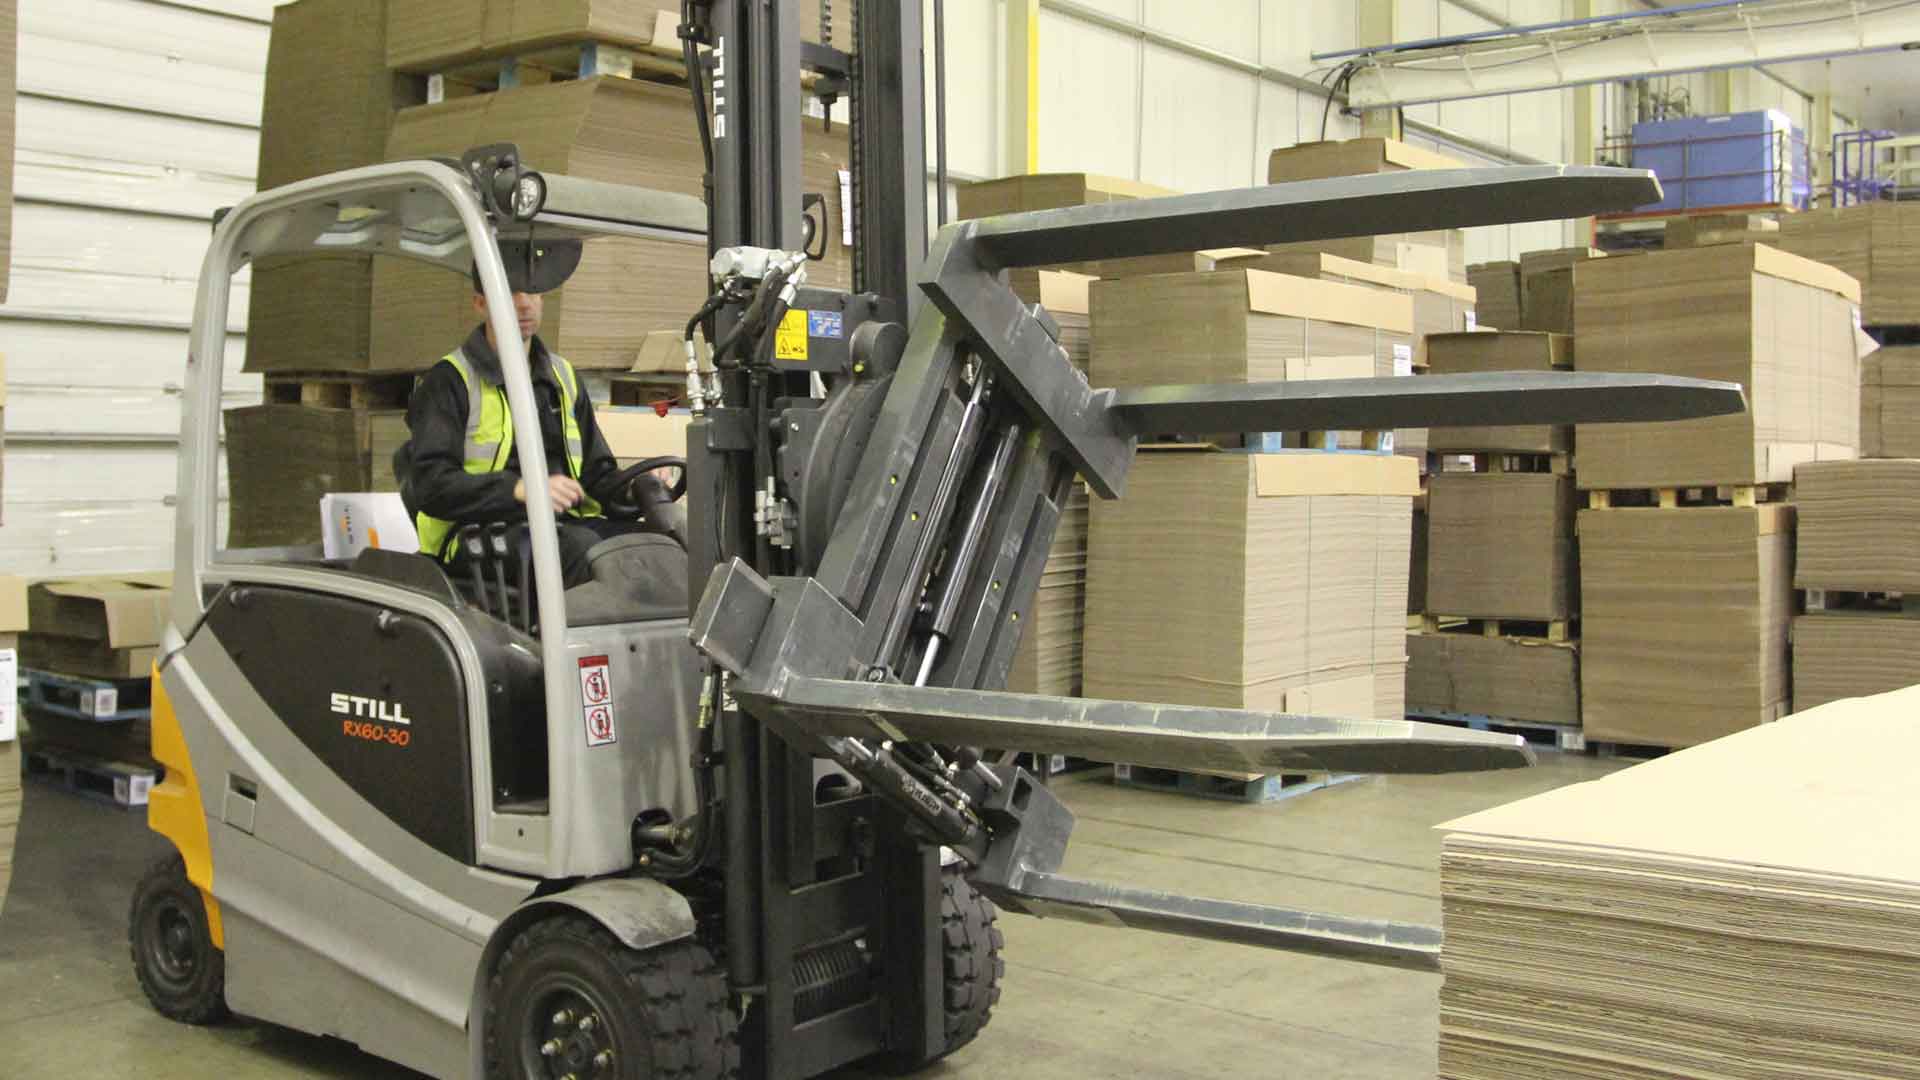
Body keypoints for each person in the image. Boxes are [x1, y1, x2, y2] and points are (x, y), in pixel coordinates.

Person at [399, 237, 669, 588]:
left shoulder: (563, 377)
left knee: (659, 546)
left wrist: (634, 487)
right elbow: (432, 487)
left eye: (533, 291)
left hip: (561, 525)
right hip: (475, 534)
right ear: (481, 304)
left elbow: (596, 475)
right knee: (581, 550)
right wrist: (519, 490)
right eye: (511, 292)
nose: (524, 305)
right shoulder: (449, 381)